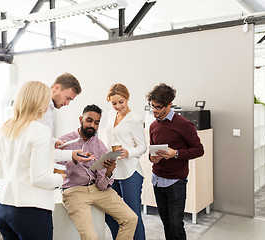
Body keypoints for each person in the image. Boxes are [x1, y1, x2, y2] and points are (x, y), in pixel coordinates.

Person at [0, 81, 65, 240]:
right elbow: (39, 178)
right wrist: (60, 178)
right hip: (30, 211)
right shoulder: (40, 131)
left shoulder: (3, 129)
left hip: (3, 209)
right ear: (41, 103)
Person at [58, 104, 138, 240]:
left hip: (97, 190)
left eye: (96, 123)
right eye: (89, 120)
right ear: (80, 119)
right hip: (74, 191)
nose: (92, 126)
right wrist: (75, 160)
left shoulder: (99, 145)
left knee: (131, 218)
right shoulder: (64, 142)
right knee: (91, 237)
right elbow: (58, 174)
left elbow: (102, 185)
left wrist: (108, 172)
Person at [146, 83, 204, 240]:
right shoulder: (153, 126)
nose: (154, 110)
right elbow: (151, 152)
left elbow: (199, 149)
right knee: (166, 223)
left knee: (176, 226)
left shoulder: (184, 125)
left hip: (176, 183)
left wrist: (175, 153)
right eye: (152, 106)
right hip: (157, 180)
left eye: (158, 107)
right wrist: (152, 158)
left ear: (169, 105)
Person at [104, 83, 147, 240]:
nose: (117, 106)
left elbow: (143, 147)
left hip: (130, 173)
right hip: (112, 172)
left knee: (133, 215)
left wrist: (128, 152)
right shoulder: (110, 115)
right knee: (112, 214)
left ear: (127, 99)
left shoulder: (135, 120)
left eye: (121, 102)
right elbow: (107, 138)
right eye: (114, 103)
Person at [41, 72, 89, 163]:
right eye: (67, 98)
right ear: (57, 87)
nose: (67, 104)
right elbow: (40, 149)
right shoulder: (42, 107)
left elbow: (42, 139)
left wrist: (54, 142)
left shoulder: (51, 108)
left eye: (70, 100)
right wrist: (71, 155)